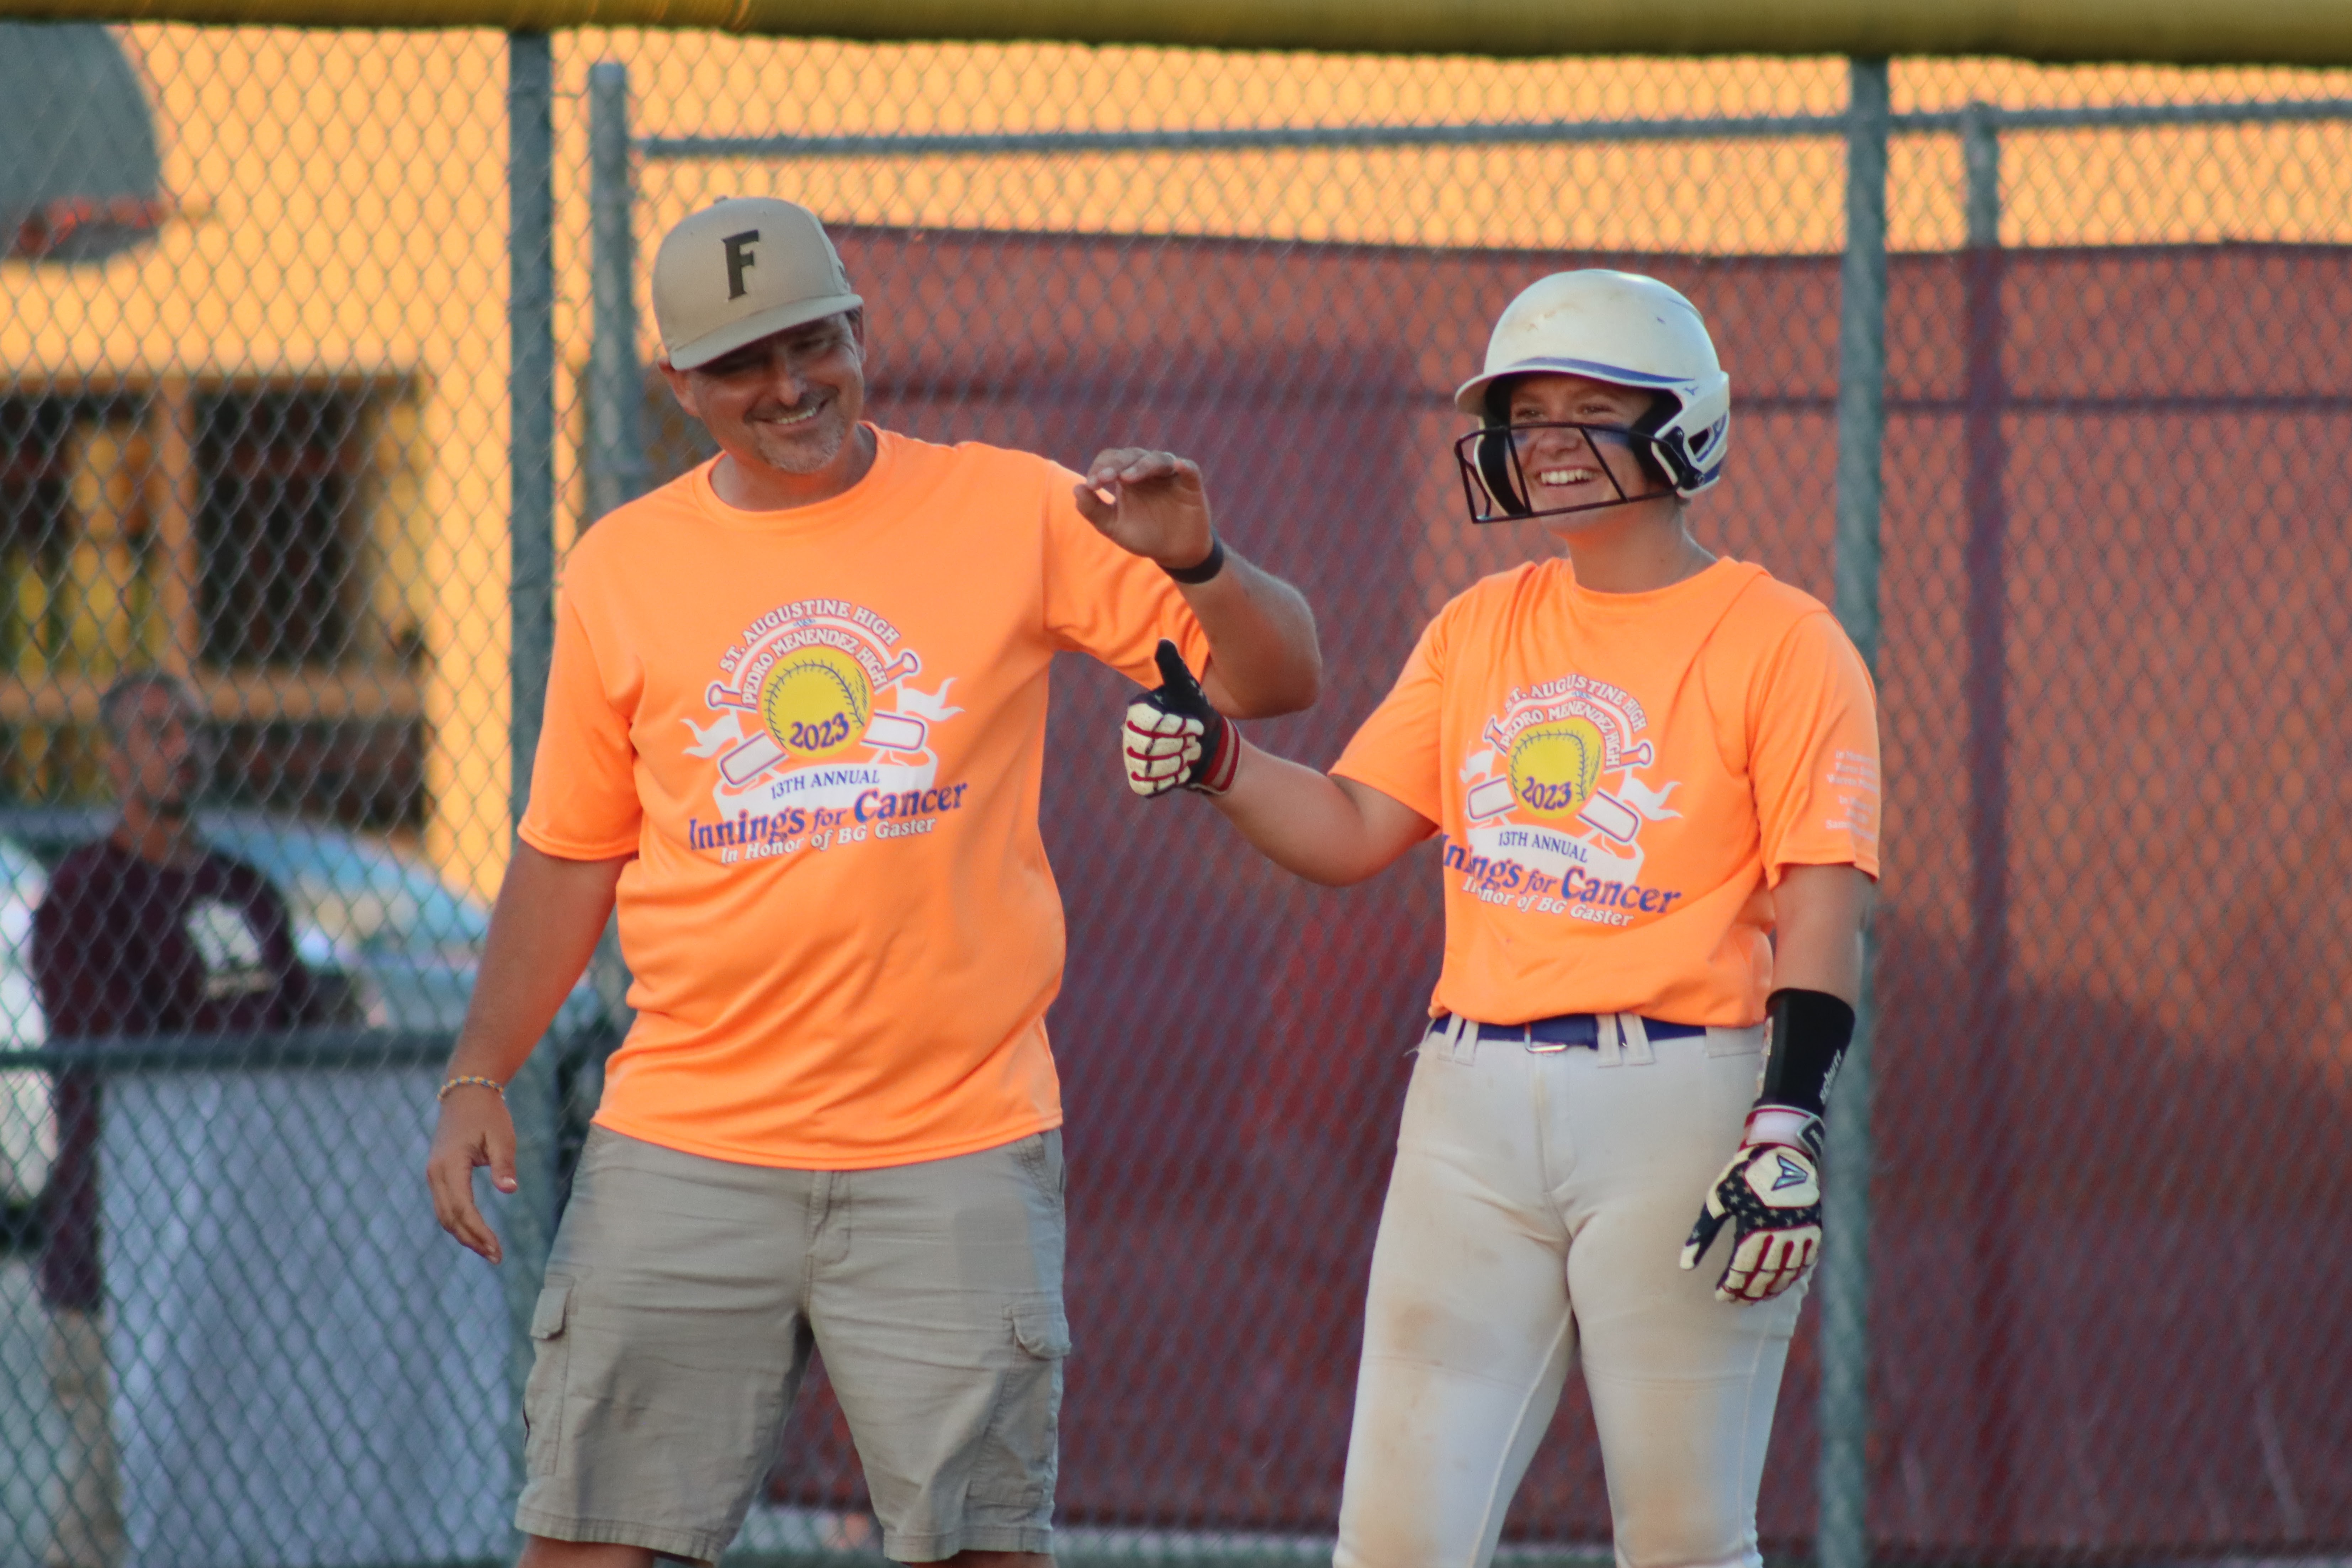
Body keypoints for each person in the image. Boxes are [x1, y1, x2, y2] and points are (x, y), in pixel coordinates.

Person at [424, 196, 1320, 1568]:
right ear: (681, 386)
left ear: (858, 327)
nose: (788, 385)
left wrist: (1197, 557)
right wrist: (479, 1067)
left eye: (811, 340)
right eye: (741, 363)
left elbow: (1279, 681)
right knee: (599, 1542)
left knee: (976, 1547)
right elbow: (569, 848)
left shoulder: (1013, 505)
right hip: (688, 1141)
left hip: (951, 1141)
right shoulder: (625, 565)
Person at [1121, 271, 1881, 1568]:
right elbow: (1357, 825)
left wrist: (1786, 1120)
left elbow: (1820, 900)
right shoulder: (1482, 624)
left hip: (1681, 1096)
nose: (1550, 442)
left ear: (1683, 421)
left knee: (1688, 1537)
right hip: (1467, 1100)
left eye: (1593, 409)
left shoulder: (1783, 639)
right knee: (1398, 1541)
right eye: (1530, 416)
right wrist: (1224, 764)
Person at [29, 670, 329, 1568]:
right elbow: (116, 1044)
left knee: (238, 1497)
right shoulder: (87, 895)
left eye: (193, 730)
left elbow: (304, 1025)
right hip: (119, 1250)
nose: (183, 747)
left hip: (240, 1250)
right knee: (107, 1508)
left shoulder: (247, 889)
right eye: (157, 732)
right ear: (116, 759)